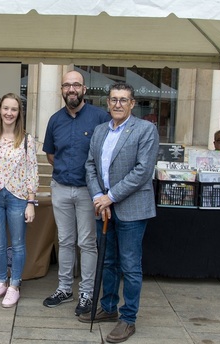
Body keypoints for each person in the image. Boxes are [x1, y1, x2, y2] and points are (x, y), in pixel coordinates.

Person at [83, 83, 159, 343]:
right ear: (107, 103)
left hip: (131, 208)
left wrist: (110, 197)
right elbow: (90, 165)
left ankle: (128, 319)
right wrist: (97, 197)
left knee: (130, 265)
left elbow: (142, 171)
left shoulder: (146, 130)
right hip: (103, 207)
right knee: (107, 261)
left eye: (123, 100)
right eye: (114, 99)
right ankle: (108, 307)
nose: (118, 104)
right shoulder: (100, 130)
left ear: (132, 103)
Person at [42, 70, 111, 316]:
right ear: (62, 89)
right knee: (65, 241)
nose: (71, 89)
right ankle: (64, 289)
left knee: (87, 243)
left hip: (88, 191)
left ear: (84, 89)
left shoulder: (100, 117)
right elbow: (51, 154)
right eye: (67, 85)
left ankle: (87, 293)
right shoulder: (55, 120)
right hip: (60, 187)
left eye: (76, 85)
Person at [0, 93, 39, 308]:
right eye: (6, 108)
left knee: (18, 244)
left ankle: (15, 285)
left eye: (14, 109)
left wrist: (31, 202)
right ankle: (1, 281)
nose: (9, 113)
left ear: (19, 113)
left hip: (18, 198)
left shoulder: (27, 140)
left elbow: (32, 171)